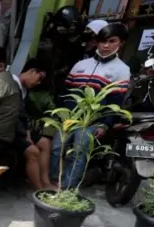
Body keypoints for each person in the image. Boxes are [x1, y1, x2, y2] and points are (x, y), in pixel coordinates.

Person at [50, 23, 130, 189]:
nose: (106, 45)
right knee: (57, 148)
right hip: (69, 116)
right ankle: (51, 182)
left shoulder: (122, 70)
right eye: (102, 41)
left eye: (111, 41)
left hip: (91, 121)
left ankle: (67, 189)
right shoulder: (81, 65)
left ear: (121, 43)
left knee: (78, 154)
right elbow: (65, 91)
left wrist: (105, 124)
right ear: (97, 42)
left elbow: (116, 101)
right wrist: (58, 113)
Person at [11, 59, 53, 190]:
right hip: (7, 129)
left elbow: (23, 116)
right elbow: (13, 116)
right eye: (39, 78)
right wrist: (26, 136)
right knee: (33, 151)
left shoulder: (23, 89)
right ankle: (39, 190)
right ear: (32, 71)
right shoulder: (11, 84)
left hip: (19, 128)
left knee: (45, 142)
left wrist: (28, 133)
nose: (38, 83)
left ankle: (45, 182)